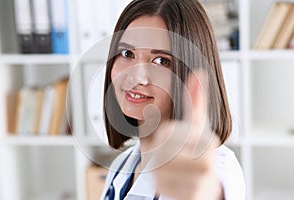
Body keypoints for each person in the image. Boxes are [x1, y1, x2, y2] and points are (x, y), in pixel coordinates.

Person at [100, 0, 245, 199]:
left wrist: (205, 190)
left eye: (161, 61)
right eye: (127, 53)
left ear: (189, 73)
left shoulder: (218, 168)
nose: (136, 77)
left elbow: (207, 189)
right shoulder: (122, 166)